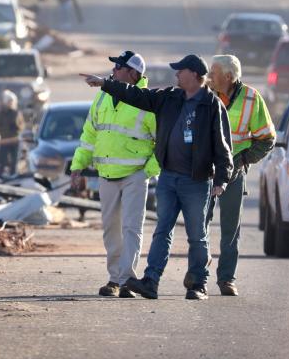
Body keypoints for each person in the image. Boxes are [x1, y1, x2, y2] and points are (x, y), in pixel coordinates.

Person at [81, 54, 233, 300]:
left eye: (180, 71)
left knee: (196, 234)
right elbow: (138, 96)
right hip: (169, 178)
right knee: (162, 231)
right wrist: (105, 83)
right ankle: (150, 282)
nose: (175, 75)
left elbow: (222, 145)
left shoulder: (212, 105)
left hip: (196, 180)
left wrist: (222, 179)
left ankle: (198, 285)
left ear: (195, 74)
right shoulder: (169, 98)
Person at [71, 50, 159, 298]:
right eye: (114, 67)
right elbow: (89, 135)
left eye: (119, 67)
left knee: (131, 228)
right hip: (107, 173)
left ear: (133, 73)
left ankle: (127, 279)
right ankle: (114, 279)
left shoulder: (146, 101)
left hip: (135, 175)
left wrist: (147, 172)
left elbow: (162, 142)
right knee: (111, 228)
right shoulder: (102, 98)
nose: (113, 71)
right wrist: (78, 166)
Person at [205, 55, 275, 296]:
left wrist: (243, 160)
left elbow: (267, 139)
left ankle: (226, 279)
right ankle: (198, 275)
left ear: (228, 76)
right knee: (199, 225)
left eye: (213, 72)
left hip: (234, 173)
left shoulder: (252, 98)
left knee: (230, 229)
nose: (209, 76)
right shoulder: (203, 94)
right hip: (204, 171)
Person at [0, 90, 24, 176]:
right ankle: (0, 172)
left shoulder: (15, 113)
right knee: (2, 158)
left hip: (14, 139)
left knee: (14, 159)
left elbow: (20, 126)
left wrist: (16, 127)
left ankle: (13, 173)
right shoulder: (1, 113)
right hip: (5, 139)